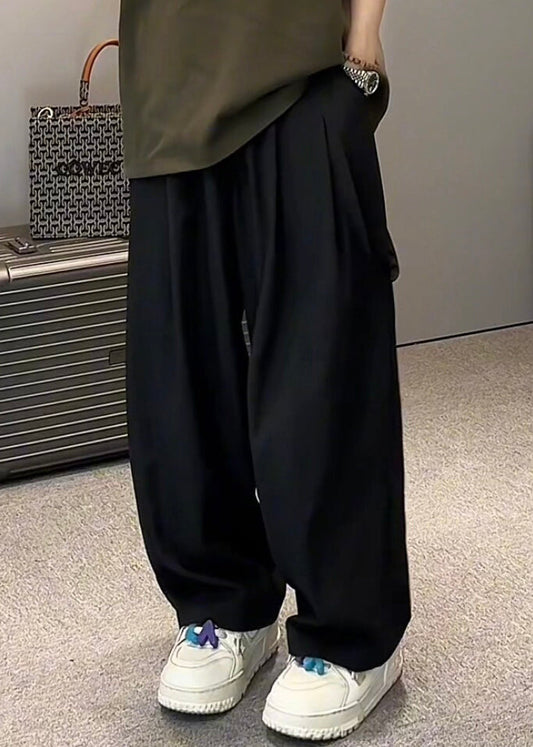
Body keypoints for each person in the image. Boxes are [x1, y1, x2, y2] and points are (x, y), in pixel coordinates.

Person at [119, 0, 410, 740]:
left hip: (304, 75)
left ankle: (352, 636)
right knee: (179, 378)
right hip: (168, 89)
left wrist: (365, 29)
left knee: (321, 368)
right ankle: (225, 607)